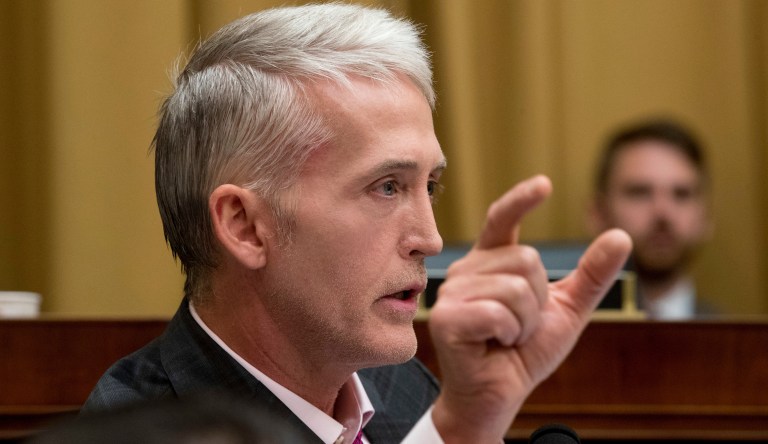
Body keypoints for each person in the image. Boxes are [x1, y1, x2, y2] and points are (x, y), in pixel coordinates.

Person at [83, 4, 631, 443]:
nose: (432, 240)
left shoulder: (394, 384)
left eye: (430, 187)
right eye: (387, 187)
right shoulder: (139, 428)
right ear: (246, 225)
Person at [588, 118, 713, 320]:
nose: (663, 213)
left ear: (704, 216)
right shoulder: (562, 344)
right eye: (640, 192)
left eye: (681, 194)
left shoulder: (743, 344)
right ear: (599, 214)